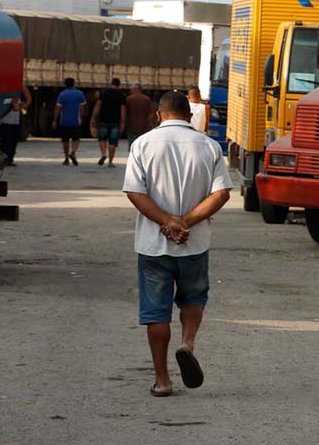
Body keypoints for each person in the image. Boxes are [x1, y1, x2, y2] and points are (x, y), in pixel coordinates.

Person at [123, 91, 232, 397]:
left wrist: (167, 222)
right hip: (194, 243)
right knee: (193, 297)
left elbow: (135, 192)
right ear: (189, 115)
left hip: (153, 245)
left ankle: (162, 380)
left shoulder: (142, 144)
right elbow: (222, 193)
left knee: (156, 313)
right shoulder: (209, 146)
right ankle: (187, 343)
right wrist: (186, 222)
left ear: (159, 115)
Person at [91, 78, 127, 168]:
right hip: (115, 121)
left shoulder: (104, 93)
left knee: (102, 139)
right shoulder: (121, 95)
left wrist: (93, 118)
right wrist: (123, 122)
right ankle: (110, 162)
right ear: (119, 85)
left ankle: (103, 154)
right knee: (113, 142)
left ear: (111, 84)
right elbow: (123, 110)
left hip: (103, 120)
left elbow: (98, 106)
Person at [52, 77, 87, 166]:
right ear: (74, 84)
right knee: (76, 139)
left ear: (65, 84)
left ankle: (66, 158)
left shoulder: (62, 95)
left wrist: (55, 120)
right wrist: (81, 118)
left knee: (65, 140)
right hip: (76, 121)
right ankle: (73, 152)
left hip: (64, 121)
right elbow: (82, 108)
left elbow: (58, 108)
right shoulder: (80, 94)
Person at [0, 85, 32, 167]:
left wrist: (23, 106)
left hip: (14, 121)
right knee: (5, 141)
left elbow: (29, 99)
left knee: (13, 141)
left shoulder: (20, 88)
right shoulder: (4, 88)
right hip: (4, 120)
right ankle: (4, 159)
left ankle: (10, 159)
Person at [126, 82, 154, 146]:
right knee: (142, 145)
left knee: (132, 145)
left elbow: (125, 113)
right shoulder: (147, 99)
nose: (130, 90)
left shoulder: (129, 99)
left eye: (131, 89)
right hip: (144, 126)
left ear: (136, 89)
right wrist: (150, 125)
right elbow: (150, 114)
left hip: (131, 125)